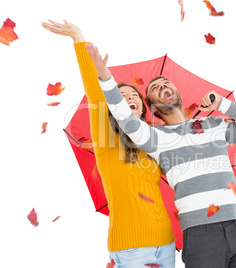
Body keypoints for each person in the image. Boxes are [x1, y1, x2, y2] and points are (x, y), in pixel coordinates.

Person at [87, 42, 236, 267]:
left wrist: (224, 104)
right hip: (201, 235)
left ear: (177, 93)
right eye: (155, 88)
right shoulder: (156, 139)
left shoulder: (213, 124)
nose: (163, 86)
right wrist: (105, 76)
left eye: (166, 83)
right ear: (152, 107)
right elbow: (125, 117)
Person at [42, 20, 175, 268]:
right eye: (122, 97)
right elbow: (96, 93)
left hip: (166, 245)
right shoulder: (106, 138)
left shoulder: (154, 141)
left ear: (144, 107)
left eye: (135, 95)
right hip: (131, 248)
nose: (130, 98)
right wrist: (78, 39)